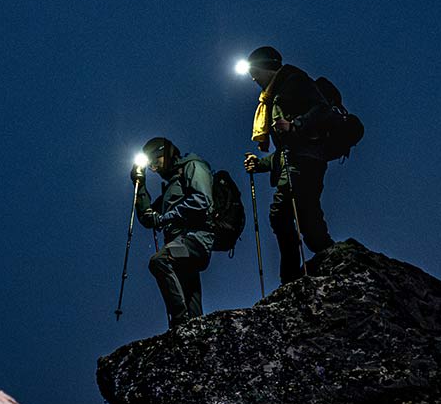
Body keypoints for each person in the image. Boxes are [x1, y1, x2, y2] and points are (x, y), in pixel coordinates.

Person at [241, 45, 338, 284]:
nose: (253, 77)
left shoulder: (295, 81)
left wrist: (295, 125)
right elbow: (284, 149)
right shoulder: (275, 94)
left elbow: (323, 109)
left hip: (306, 160)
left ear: (267, 68)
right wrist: (260, 164)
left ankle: (297, 273)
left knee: (285, 213)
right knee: (304, 214)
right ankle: (325, 257)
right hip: (298, 159)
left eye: (255, 71)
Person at [135, 136, 241, 329]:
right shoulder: (171, 187)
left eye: (155, 161)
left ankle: (180, 322)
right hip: (180, 242)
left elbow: (202, 200)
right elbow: (148, 219)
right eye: (150, 165)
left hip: (196, 239)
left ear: (166, 154)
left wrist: (166, 217)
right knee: (189, 292)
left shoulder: (193, 166)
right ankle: (194, 332)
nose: (153, 168)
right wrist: (140, 186)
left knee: (160, 261)